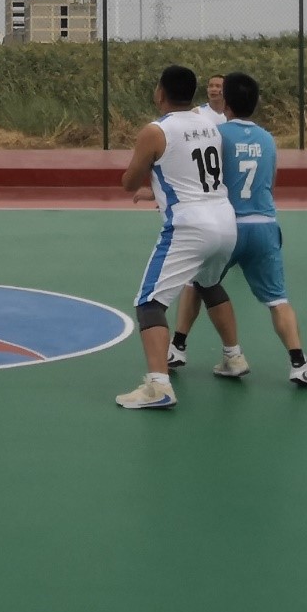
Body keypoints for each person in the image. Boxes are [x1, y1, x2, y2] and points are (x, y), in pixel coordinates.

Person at [167, 71, 307, 387]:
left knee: (197, 283)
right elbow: (270, 183)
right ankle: (299, 364)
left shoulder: (217, 135)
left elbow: (205, 180)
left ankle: (180, 347)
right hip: (264, 225)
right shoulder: (268, 139)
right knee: (278, 299)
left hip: (227, 226)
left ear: (226, 103)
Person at [115, 65, 238, 410]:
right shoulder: (210, 125)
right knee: (209, 284)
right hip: (224, 218)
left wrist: (146, 176)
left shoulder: (156, 131)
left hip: (189, 225)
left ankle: (159, 386)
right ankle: (233, 356)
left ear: (161, 93)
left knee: (149, 302)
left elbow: (128, 182)